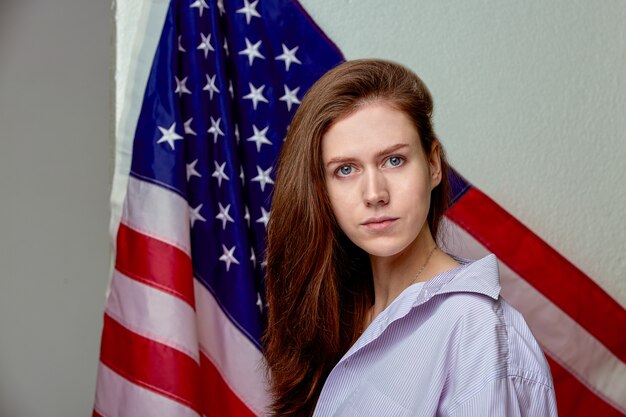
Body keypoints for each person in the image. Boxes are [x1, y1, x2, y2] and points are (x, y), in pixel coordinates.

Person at [264, 59, 558, 417]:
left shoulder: (478, 330)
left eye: (394, 161)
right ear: (320, 189)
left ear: (433, 165)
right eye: (345, 169)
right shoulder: (340, 316)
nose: (374, 193)